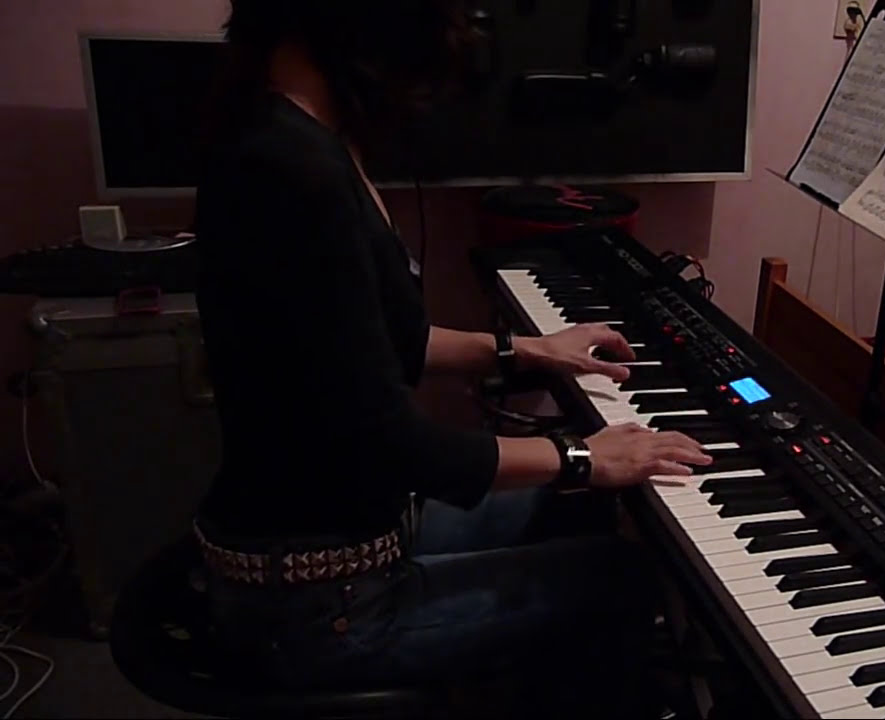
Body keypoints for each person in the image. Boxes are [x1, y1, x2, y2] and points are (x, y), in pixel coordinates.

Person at [193, 1, 712, 715]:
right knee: (620, 575)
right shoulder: (289, 171)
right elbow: (390, 443)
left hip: (340, 543)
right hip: (321, 602)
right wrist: (582, 455)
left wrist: (527, 348)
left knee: (579, 509)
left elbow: (386, 344)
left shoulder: (291, 135)